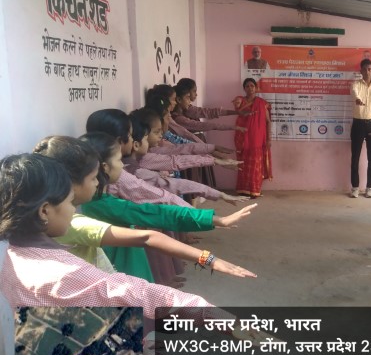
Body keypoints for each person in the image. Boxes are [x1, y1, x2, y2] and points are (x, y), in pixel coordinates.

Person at [33, 135, 256, 279]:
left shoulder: (76, 211)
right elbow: (151, 228)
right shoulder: (86, 216)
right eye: (93, 178)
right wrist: (210, 256)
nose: (96, 182)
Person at [232, 77, 273, 198]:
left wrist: (269, 138)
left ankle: (254, 190)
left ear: (256, 88)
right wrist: (238, 102)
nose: (250, 88)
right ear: (244, 88)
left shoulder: (262, 103)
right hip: (242, 137)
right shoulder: (240, 100)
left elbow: (268, 121)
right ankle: (242, 189)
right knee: (243, 164)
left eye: (252, 86)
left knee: (255, 165)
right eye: (247, 86)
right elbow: (237, 109)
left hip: (257, 139)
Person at [350, 58, 371, 198]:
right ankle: (355, 188)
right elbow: (354, 93)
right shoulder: (355, 84)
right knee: (355, 158)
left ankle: (369, 188)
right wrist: (357, 99)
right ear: (360, 71)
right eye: (364, 69)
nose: (367, 72)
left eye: (369, 69)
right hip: (358, 123)